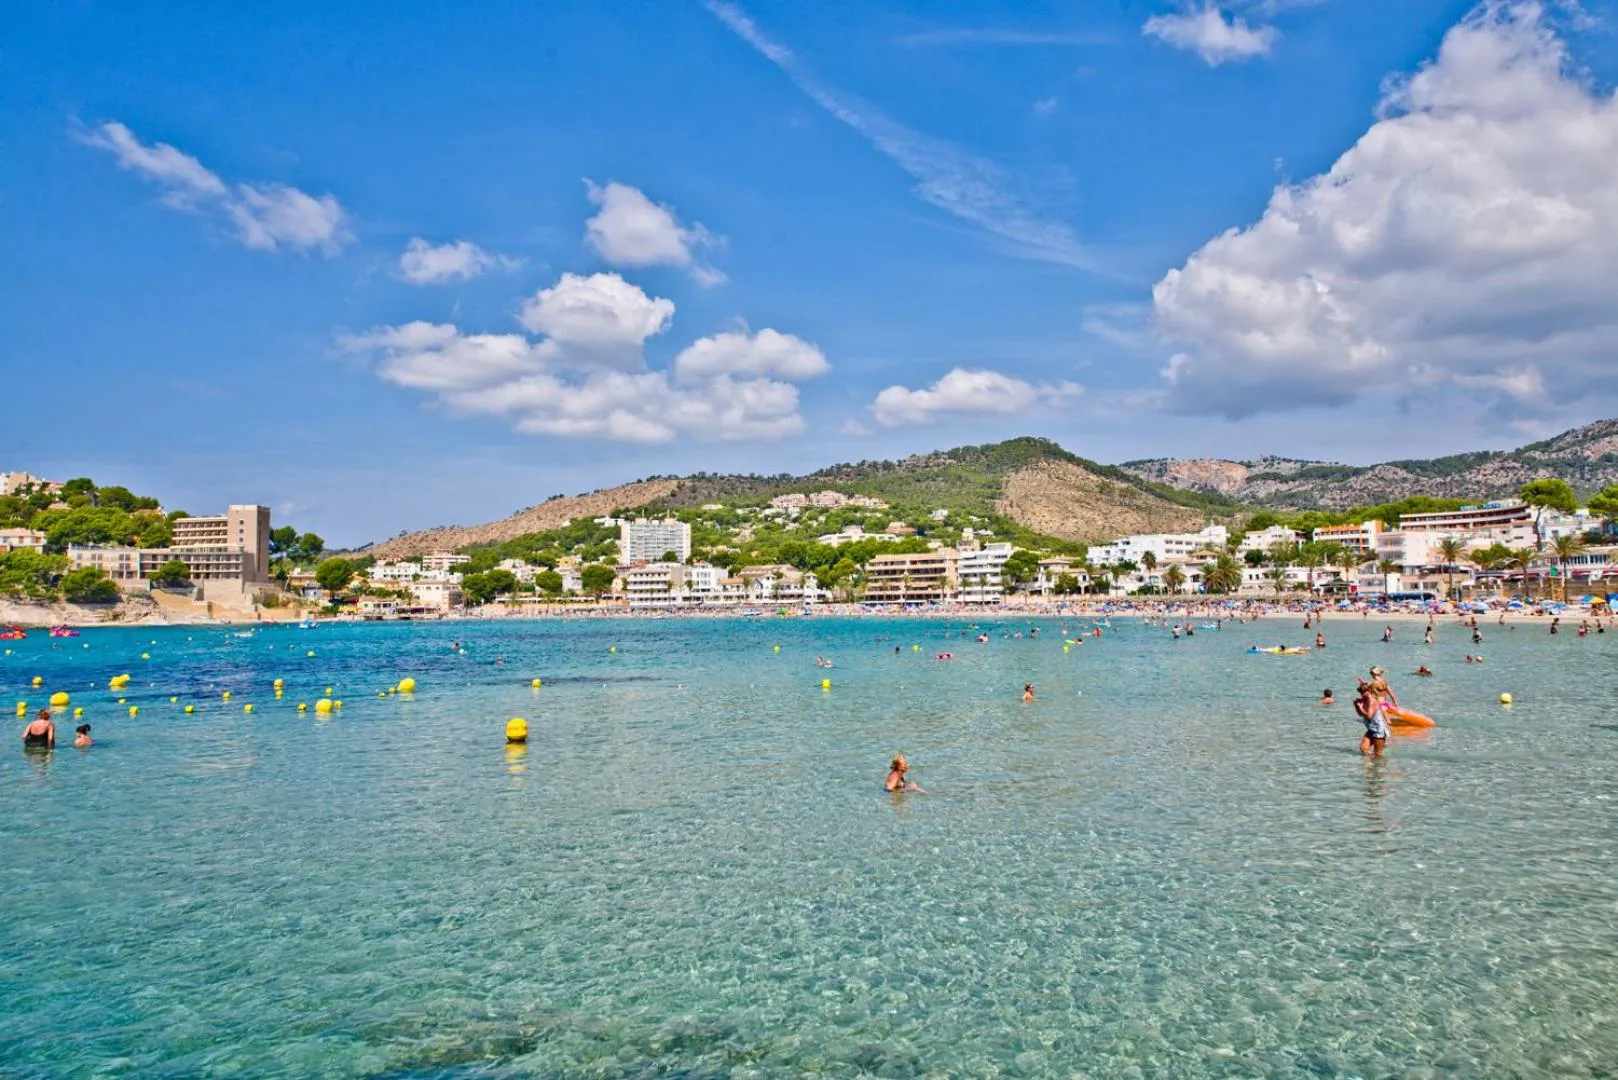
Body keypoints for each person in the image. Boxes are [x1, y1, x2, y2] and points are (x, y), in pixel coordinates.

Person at [1354, 681, 1389, 757]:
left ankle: (1380, 767)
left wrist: (1360, 707)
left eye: (1363, 692)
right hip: (1371, 729)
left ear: (1369, 691)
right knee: (1363, 748)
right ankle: (1368, 766)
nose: (1362, 694)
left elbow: (1369, 716)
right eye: (1361, 692)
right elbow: (1361, 714)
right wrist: (1356, 706)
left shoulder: (1371, 701)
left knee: (1378, 755)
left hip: (1378, 730)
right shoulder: (1365, 700)